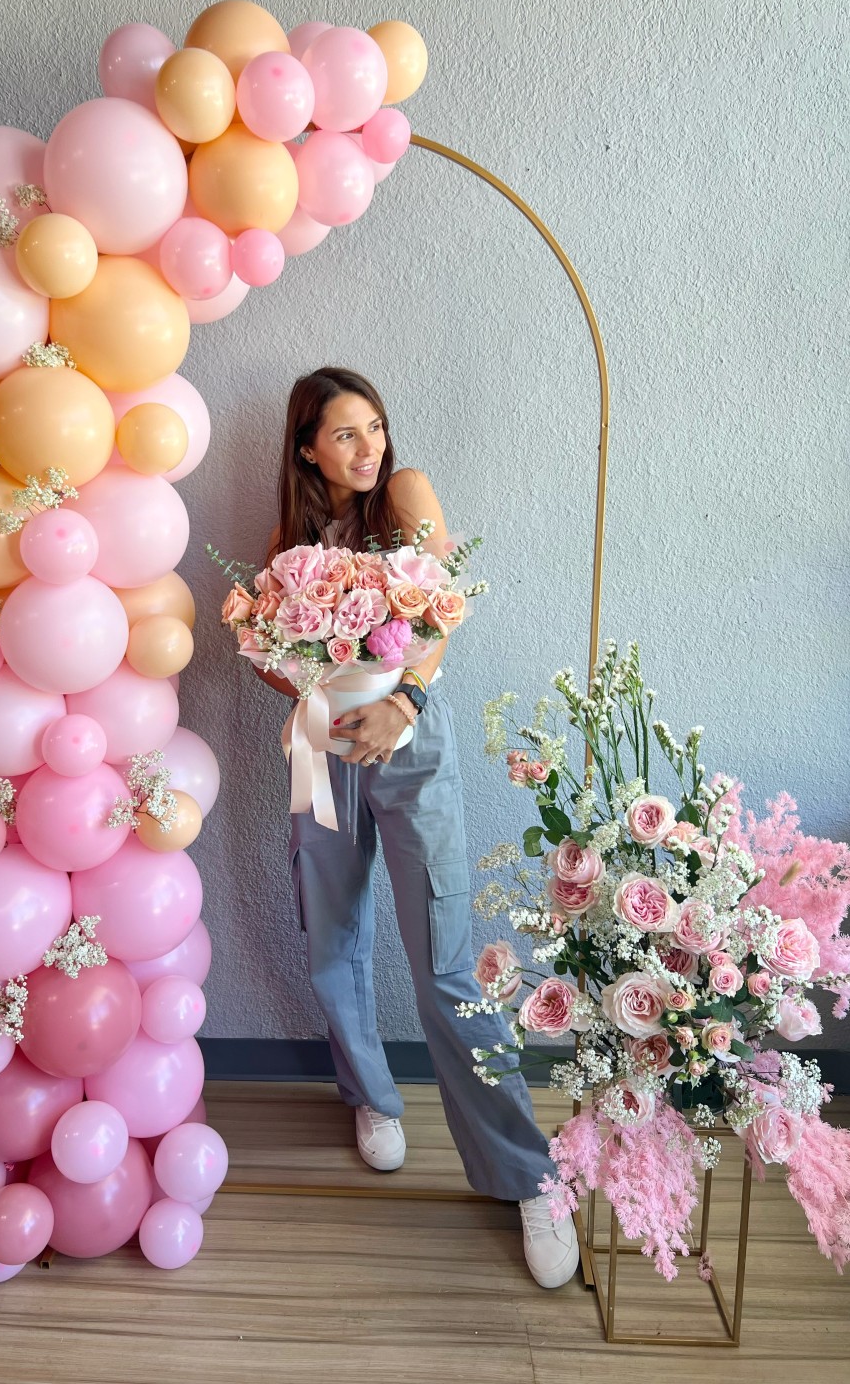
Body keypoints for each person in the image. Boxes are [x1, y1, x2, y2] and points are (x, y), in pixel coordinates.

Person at [255, 366, 579, 1289]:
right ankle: (370, 1095)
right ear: (308, 446)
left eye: (376, 426)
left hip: (408, 737)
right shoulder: (288, 536)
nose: (369, 447)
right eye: (346, 434)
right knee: (331, 934)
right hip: (323, 745)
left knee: (443, 957)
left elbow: (443, 607)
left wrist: (401, 696)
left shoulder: (405, 492)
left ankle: (526, 1175)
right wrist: (307, 694)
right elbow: (273, 650)